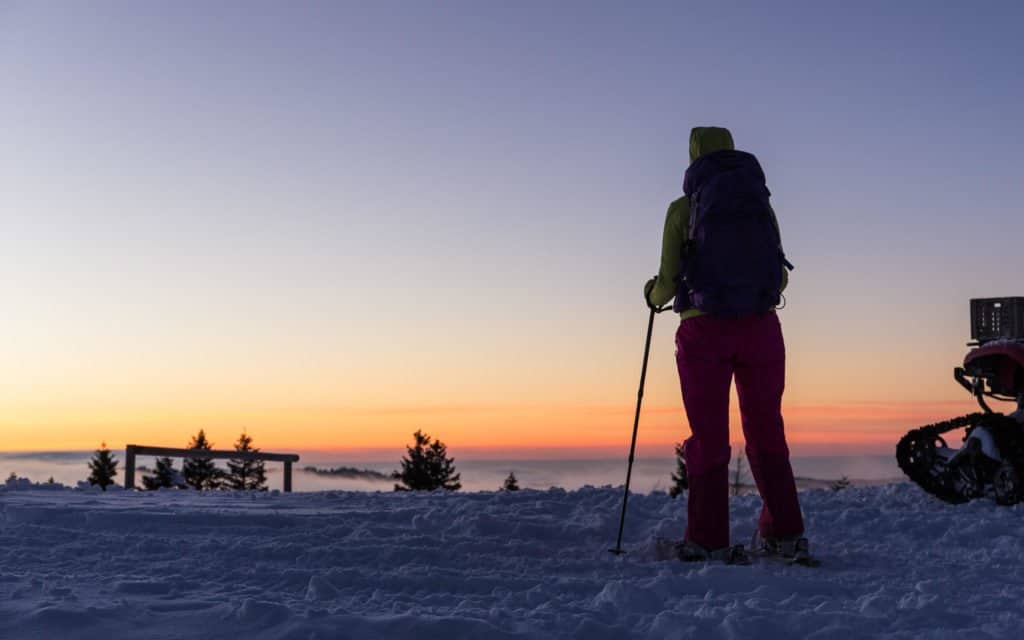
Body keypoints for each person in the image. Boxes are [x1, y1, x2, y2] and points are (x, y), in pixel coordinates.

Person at [644, 126, 807, 564]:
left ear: (694, 157)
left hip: (704, 332)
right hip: (762, 329)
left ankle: (708, 539)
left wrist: (652, 294)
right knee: (767, 430)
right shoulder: (761, 205)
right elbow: (782, 274)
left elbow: (665, 280)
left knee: (710, 436)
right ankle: (785, 533)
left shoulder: (684, 208)